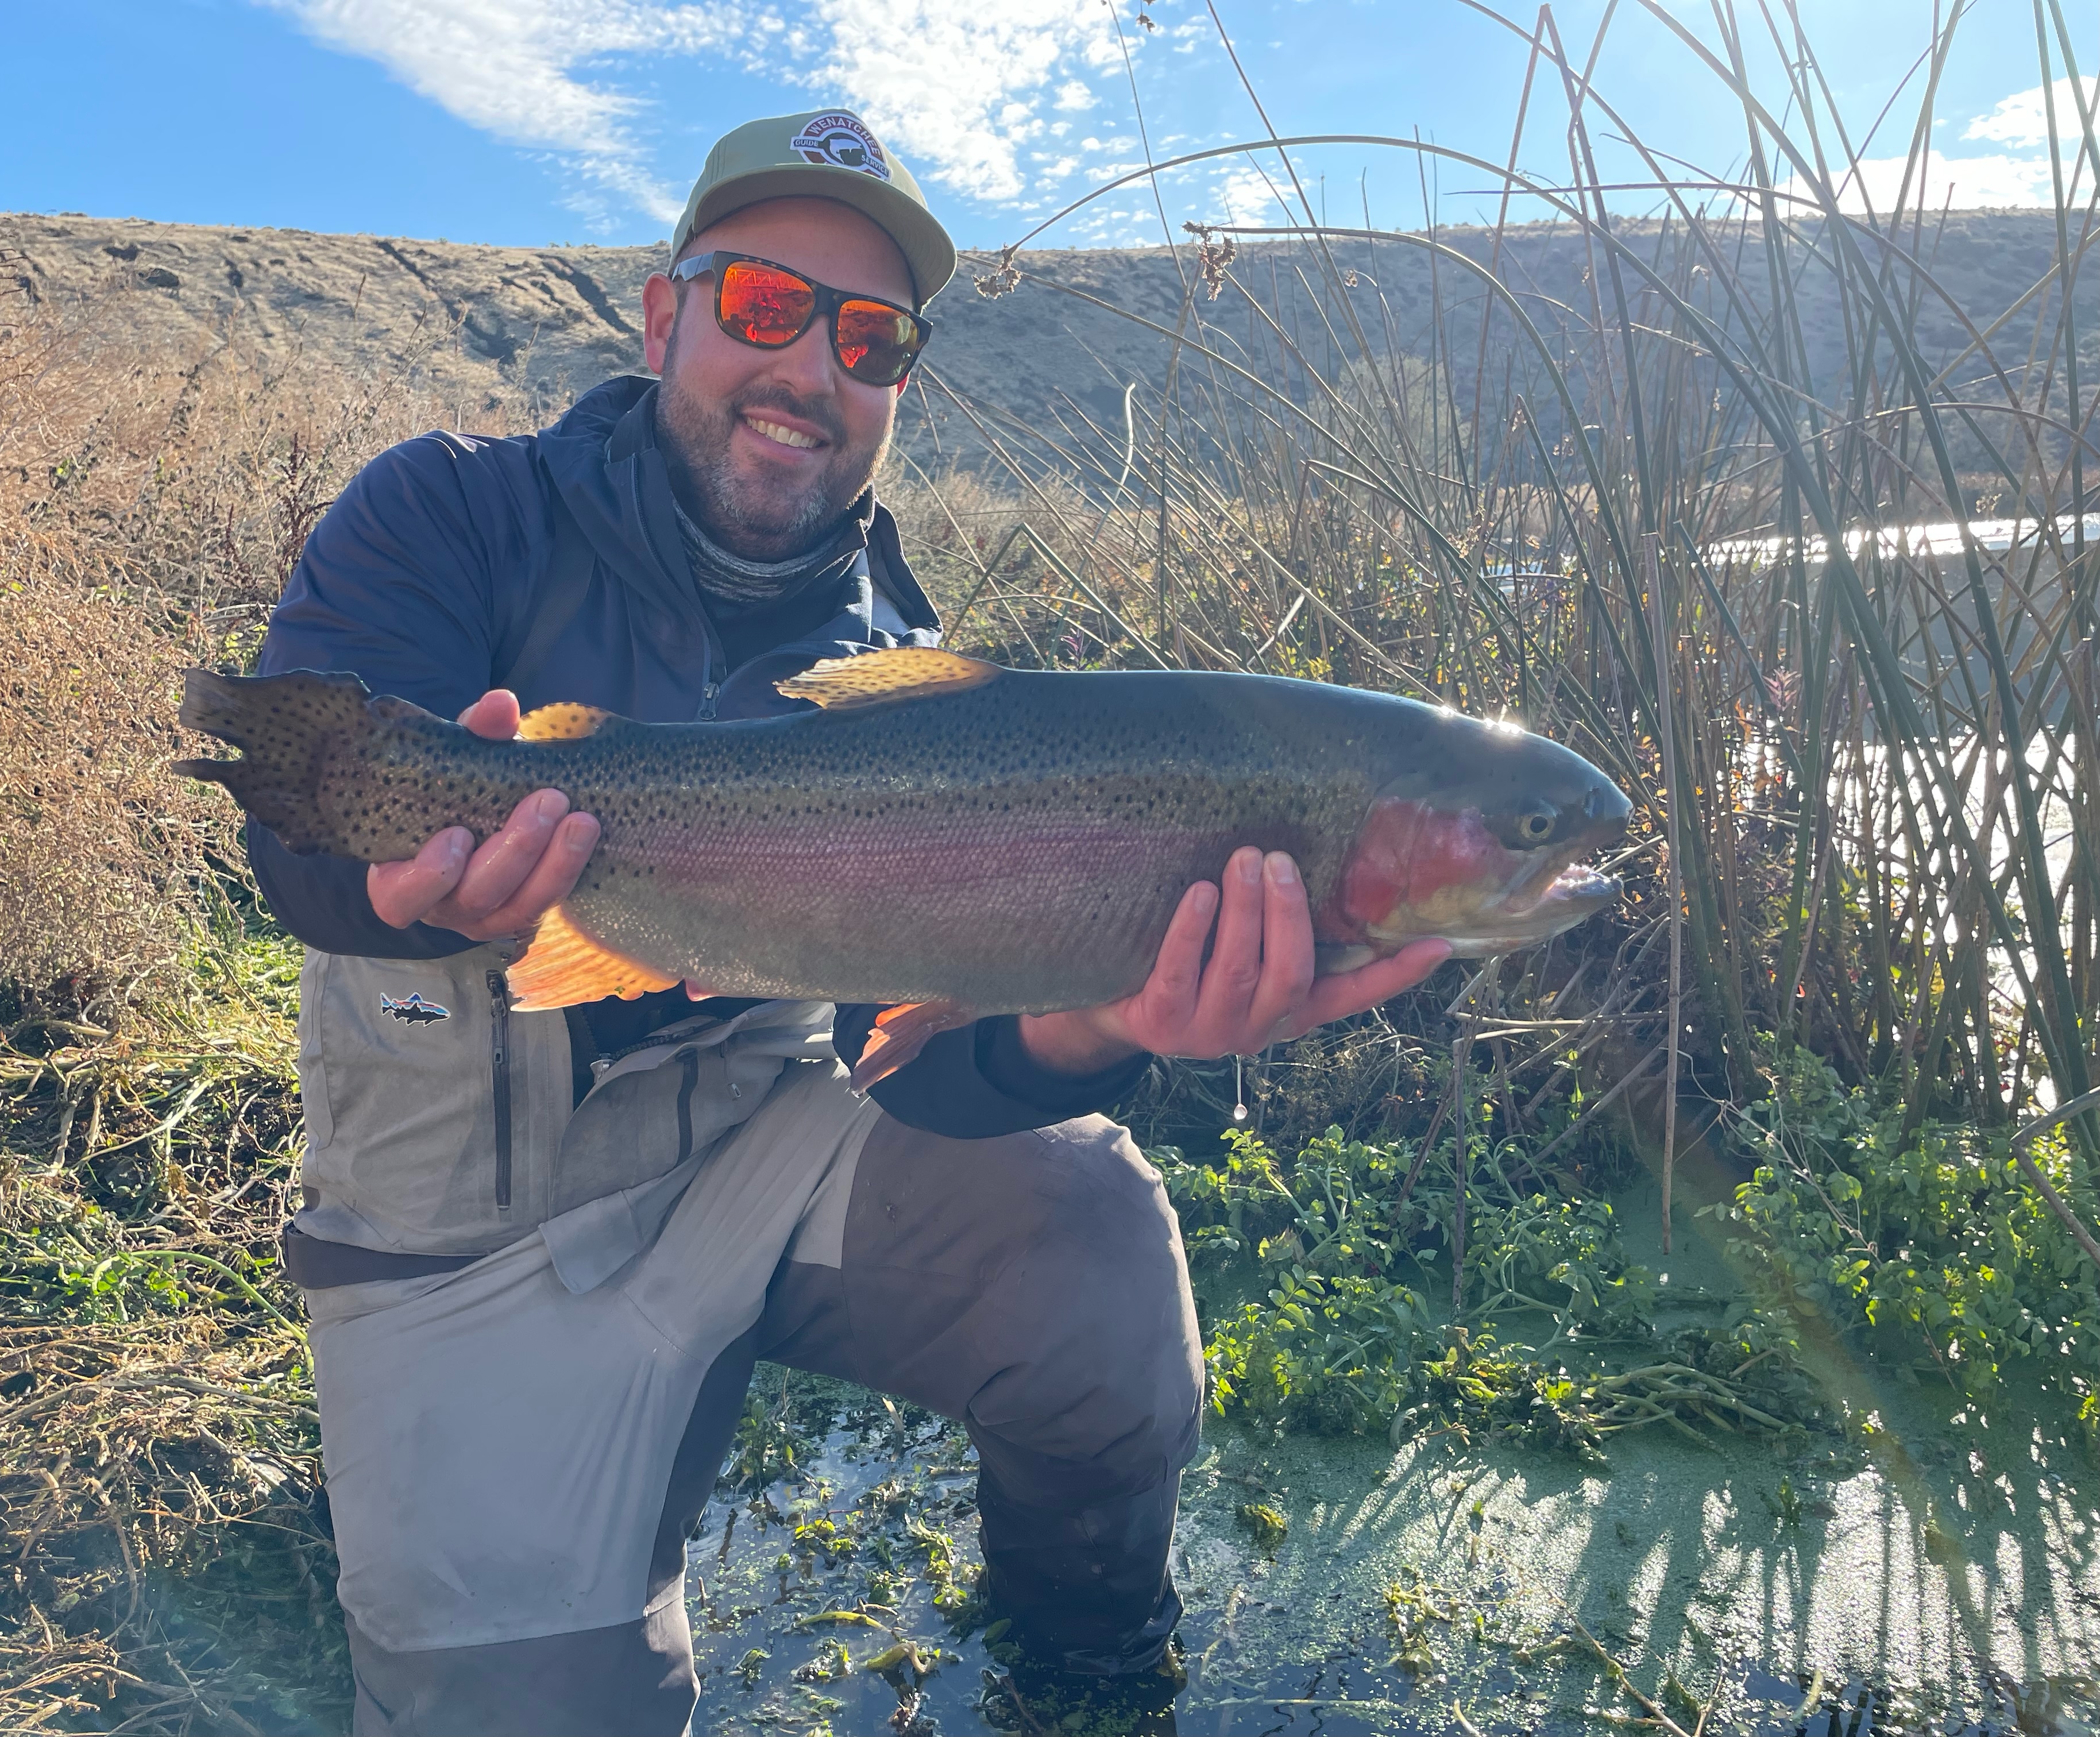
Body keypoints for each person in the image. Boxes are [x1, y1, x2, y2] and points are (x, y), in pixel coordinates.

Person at [247, 107, 1447, 1736]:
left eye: (871, 338)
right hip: (475, 1230)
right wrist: (397, 880)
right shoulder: (451, 514)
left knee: (1095, 1245)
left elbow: (914, 1059)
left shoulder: (902, 651)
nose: (812, 368)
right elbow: (301, 839)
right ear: (662, 317)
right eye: (765, 305)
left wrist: (1097, 1028)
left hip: (768, 1154)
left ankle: (1083, 1679)